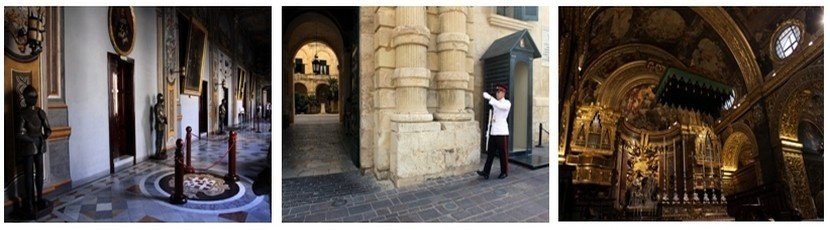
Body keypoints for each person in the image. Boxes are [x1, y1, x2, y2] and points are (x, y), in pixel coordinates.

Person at [16, 85, 52, 219]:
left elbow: (48, 128)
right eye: (31, 97)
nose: (33, 99)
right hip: (29, 145)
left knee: (39, 173)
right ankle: (30, 202)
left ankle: (40, 198)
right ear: (25, 98)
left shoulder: (40, 112)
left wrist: (45, 135)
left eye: (34, 96)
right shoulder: (23, 113)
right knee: (29, 175)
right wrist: (31, 139)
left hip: (39, 144)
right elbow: (19, 133)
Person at [477, 84, 511, 179]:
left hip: (502, 132)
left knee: (503, 153)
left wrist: (490, 98)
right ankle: (486, 172)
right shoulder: (495, 102)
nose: (497, 93)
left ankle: (504, 172)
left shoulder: (507, 103)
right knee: (490, 153)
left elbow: (500, 106)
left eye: (499, 92)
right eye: (496, 92)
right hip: (494, 131)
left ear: (503, 93)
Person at [150, 93, 168, 159]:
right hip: (158, 125)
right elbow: (157, 117)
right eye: (161, 98)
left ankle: (160, 151)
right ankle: (157, 152)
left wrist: (165, 118)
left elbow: (162, 114)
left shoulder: (162, 106)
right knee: (158, 139)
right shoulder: (156, 106)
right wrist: (163, 121)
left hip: (162, 125)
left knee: (161, 139)